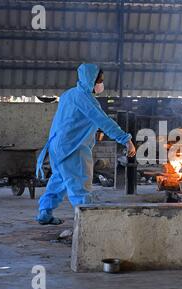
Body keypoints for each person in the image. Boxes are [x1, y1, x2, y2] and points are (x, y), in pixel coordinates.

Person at [35, 63, 136, 225]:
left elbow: (72, 120)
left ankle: (44, 213)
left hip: (57, 146)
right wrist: (126, 139)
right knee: (80, 185)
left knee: (58, 181)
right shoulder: (86, 99)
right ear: (91, 80)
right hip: (72, 148)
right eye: (100, 80)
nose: (101, 83)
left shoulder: (69, 94)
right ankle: (87, 223)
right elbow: (104, 121)